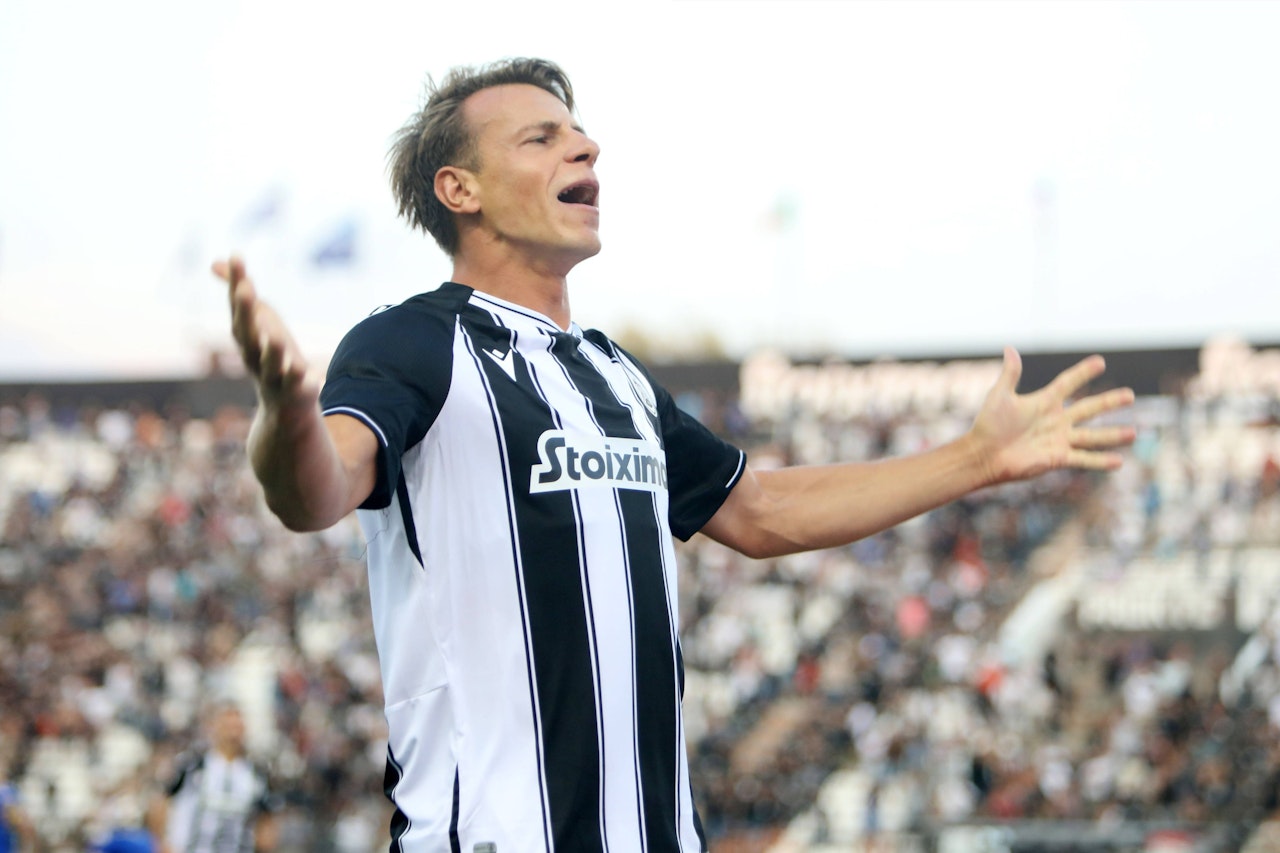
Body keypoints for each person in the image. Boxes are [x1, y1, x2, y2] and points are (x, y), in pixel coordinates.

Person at [212, 58, 1135, 851]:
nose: (586, 149)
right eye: (541, 138)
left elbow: (761, 511)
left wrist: (974, 459)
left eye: (580, 133)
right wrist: (286, 410)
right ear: (462, 190)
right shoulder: (413, 342)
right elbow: (315, 489)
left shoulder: (616, 376)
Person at [147, 703, 278, 853]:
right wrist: (162, 842)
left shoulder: (256, 775)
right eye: (227, 726)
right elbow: (161, 801)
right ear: (216, 728)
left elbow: (267, 821)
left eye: (236, 727)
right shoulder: (192, 766)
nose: (232, 734)